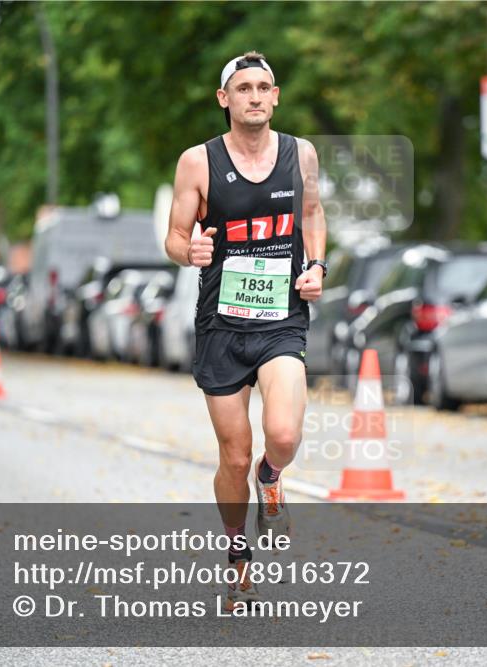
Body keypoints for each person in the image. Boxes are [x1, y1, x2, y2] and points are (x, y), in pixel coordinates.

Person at [164, 51, 327, 610]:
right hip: (221, 323)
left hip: (282, 318)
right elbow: (174, 237)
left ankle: (272, 474)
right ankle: (238, 560)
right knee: (231, 456)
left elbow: (312, 214)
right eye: (243, 88)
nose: (255, 96)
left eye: (264, 87)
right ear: (224, 99)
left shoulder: (300, 154)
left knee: (282, 435)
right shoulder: (197, 162)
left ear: (275, 96)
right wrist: (193, 250)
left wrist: (317, 265)